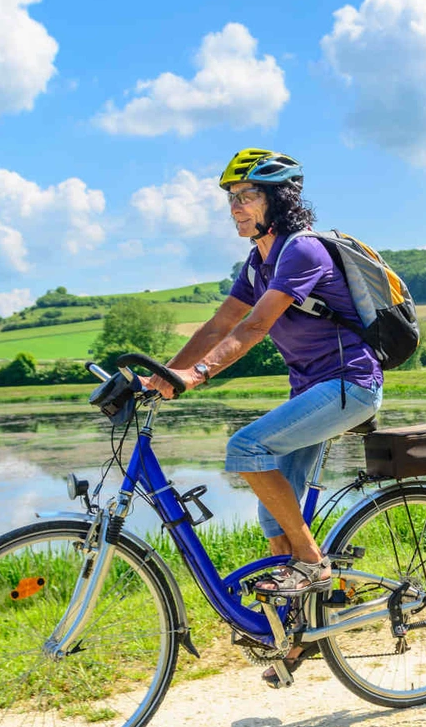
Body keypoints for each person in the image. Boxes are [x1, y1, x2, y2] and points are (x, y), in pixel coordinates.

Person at [146, 148, 383, 680]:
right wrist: (163, 377)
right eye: (232, 200)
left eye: (248, 196)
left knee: (245, 448)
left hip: (350, 384)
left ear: (279, 199)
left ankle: (315, 567)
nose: (236, 208)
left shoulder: (301, 252)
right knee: (271, 516)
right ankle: (301, 637)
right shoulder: (258, 262)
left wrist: (197, 375)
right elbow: (217, 325)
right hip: (314, 392)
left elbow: (252, 328)